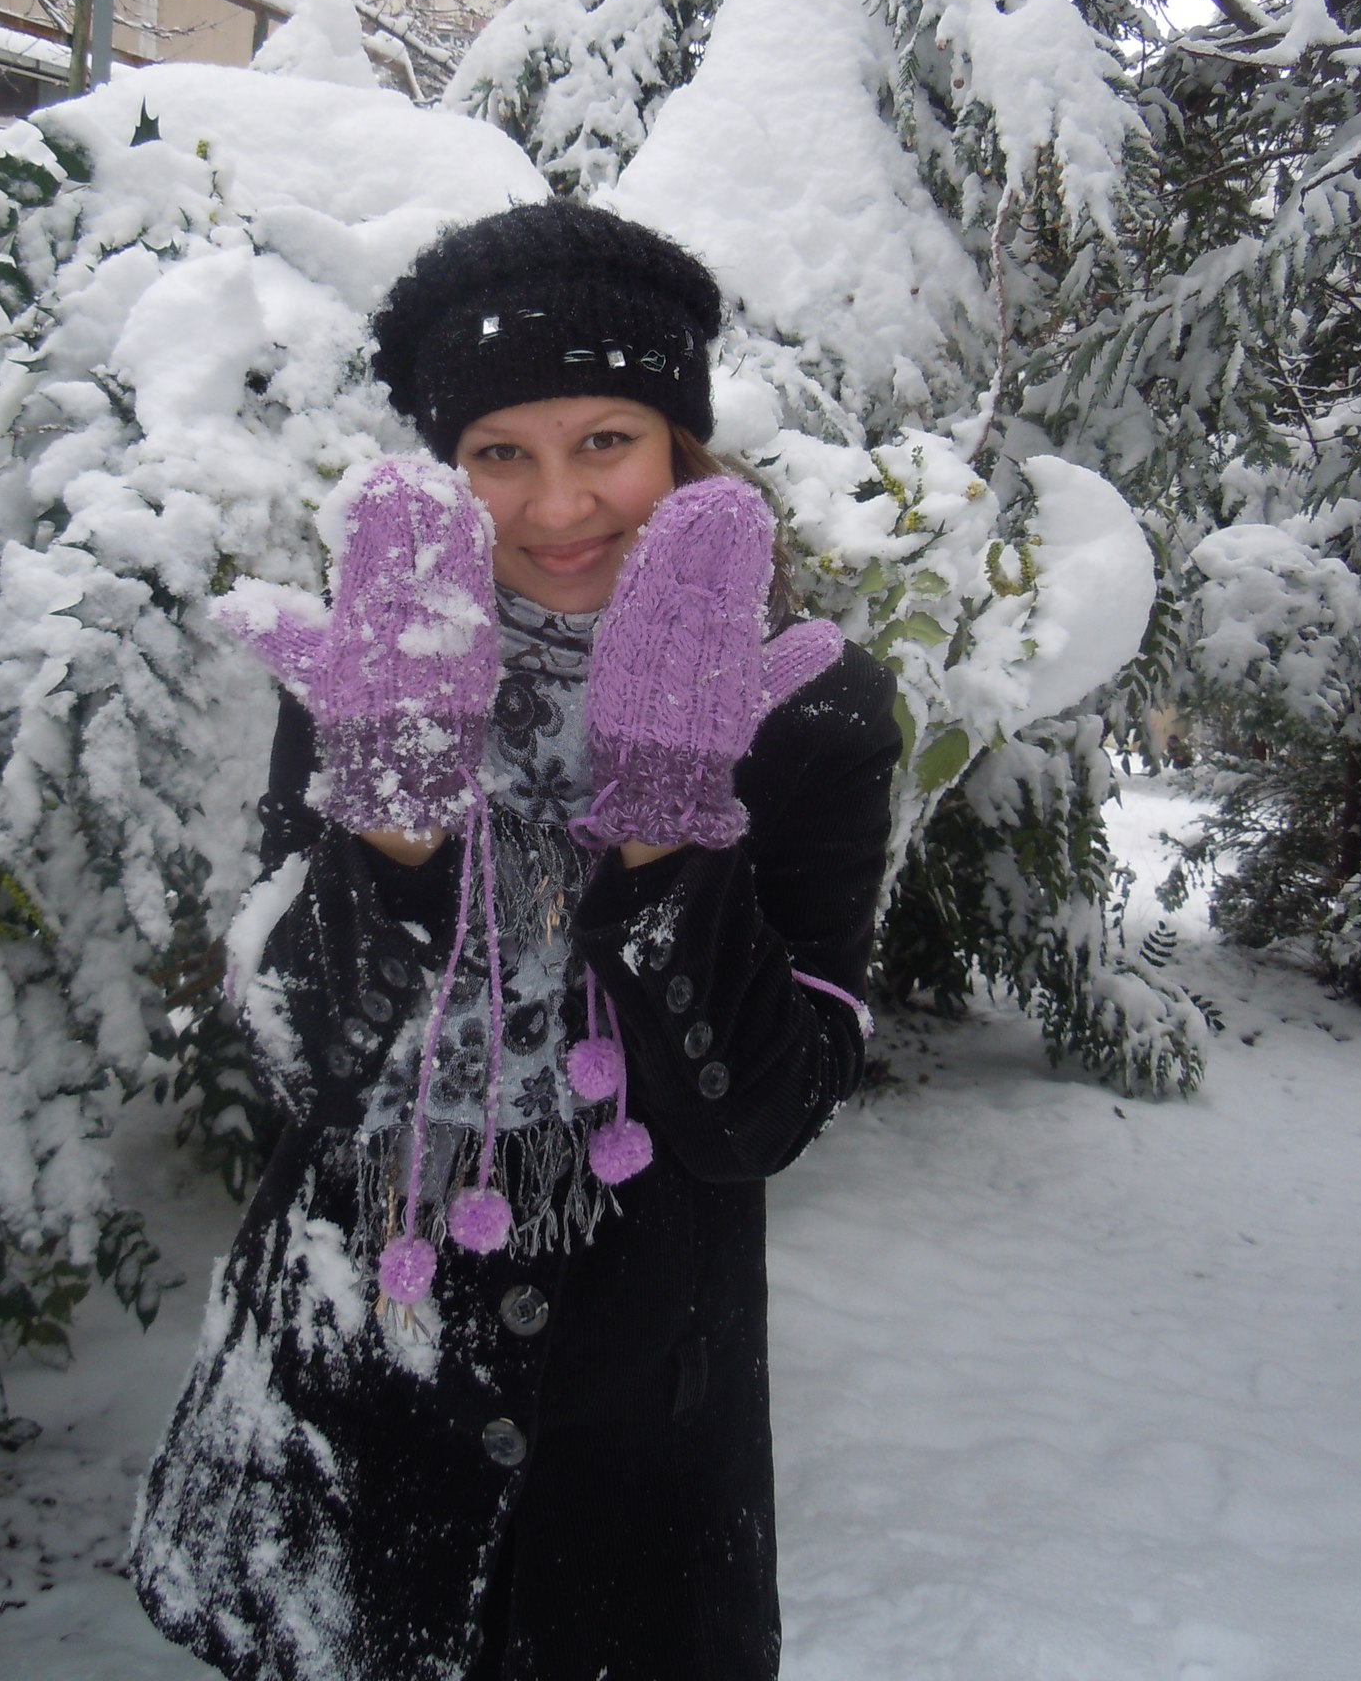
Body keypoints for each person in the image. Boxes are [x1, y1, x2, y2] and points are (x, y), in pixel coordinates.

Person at [129, 199, 901, 1681]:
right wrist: (394, 819)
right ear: (449, 466)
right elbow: (301, 1058)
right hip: (351, 1367)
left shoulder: (808, 709)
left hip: (638, 1407)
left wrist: (669, 818)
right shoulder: (374, 665)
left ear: (681, 447)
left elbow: (767, 1113)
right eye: (500, 453)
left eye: (606, 439)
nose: (556, 507)